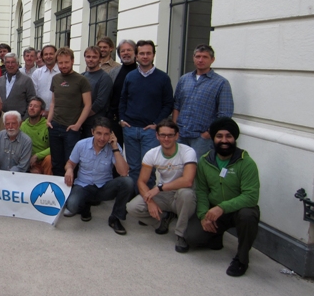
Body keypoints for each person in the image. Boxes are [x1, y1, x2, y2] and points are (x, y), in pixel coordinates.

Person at [185, 118, 260, 277]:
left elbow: (251, 196)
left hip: (239, 210)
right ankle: (216, 236)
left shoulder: (246, 163)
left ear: (234, 138)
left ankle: (242, 259)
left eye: (229, 136)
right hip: (214, 211)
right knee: (191, 237)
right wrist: (204, 215)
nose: (224, 140)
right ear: (213, 138)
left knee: (248, 215)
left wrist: (222, 208)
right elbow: (202, 192)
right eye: (219, 136)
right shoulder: (205, 161)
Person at [126, 119, 197, 253]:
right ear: (157, 136)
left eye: (170, 135)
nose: (166, 139)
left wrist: (158, 188)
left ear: (177, 136)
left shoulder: (188, 152)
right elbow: (141, 181)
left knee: (186, 194)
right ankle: (162, 220)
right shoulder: (152, 153)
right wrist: (151, 201)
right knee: (133, 207)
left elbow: (188, 181)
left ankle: (181, 234)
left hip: (182, 194)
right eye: (163, 135)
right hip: (164, 195)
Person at [119, 40, 174, 192]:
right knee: (134, 167)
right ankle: (135, 196)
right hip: (130, 129)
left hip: (150, 131)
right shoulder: (130, 77)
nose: (145, 56)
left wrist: (157, 123)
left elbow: (168, 103)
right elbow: (123, 99)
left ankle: (146, 200)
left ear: (153, 55)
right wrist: (122, 119)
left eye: (148, 53)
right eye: (141, 53)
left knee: (148, 168)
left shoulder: (163, 78)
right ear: (136, 56)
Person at [63, 117, 133, 233]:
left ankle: (115, 218)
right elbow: (70, 163)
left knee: (128, 182)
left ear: (111, 134)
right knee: (72, 206)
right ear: (92, 132)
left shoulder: (113, 146)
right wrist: (69, 170)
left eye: (106, 134)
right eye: (99, 133)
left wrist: (115, 148)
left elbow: (124, 172)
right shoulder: (81, 144)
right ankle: (85, 206)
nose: (102, 138)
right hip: (83, 186)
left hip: (104, 187)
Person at [173, 44, 234, 158]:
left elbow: (225, 114)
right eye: (198, 56)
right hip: (181, 135)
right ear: (193, 58)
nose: (200, 60)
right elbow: (177, 105)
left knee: (198, 170)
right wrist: (175, 128)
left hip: (201, 139)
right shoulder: (184, 79)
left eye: (205, 57)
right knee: (178, 169)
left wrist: (208, 134)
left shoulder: (221, 83)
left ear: (212, 60)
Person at [47, 47, 92, 176]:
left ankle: (71, 191)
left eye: (66, 62)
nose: (63, 65)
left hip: (71, 129)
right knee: (56, 162)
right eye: (60, 63)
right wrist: (49, 120)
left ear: (72, 61)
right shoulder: (55, 79)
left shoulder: (81, 80)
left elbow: (88, 105)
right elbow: (53, 102)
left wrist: (77, 125)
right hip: (54, 126)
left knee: (71, 162)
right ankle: (58, 192)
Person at [108, 39, 137, 146]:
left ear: (135, 52)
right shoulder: (114, 72)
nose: (126, 53)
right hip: (115, 119)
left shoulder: (140, 72)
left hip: (132, 120)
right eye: (123, 51)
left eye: (129, 50)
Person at [81, 46, 113, 138]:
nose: (91, 59)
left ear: (100, 59)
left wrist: (82, 116)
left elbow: (99, 103)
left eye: (94, 57)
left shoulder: (104, 78)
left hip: (95, 124)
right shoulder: (82, 76)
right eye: (88, 57)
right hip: (81, 123)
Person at [0, 52, 36, 119]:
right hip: (1, 120)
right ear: (4, 64)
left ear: (17, 64)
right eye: (8, 62)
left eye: (13, 62)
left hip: (20, 120)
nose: (10, 65)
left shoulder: (26, 81)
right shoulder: (0, 81)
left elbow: (31, 102)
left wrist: (24, 119)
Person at [20, 97, 52, 175]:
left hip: (44, 159)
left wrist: (37, 156)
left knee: (49, 159)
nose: (32, 108)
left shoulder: (47, 125)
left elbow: (55, 147)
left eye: (35, 106)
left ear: (41, 112)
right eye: (30, 105)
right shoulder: (22, 126)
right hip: (28, 161)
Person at [32, 44, 59, 113]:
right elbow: (34, 94)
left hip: (58, 113)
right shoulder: (37, 73)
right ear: (42, 57)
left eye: (51, 54)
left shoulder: (61, 72)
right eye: (46, 54)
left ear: (56, 55)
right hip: (41, 113)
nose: (48, 56)